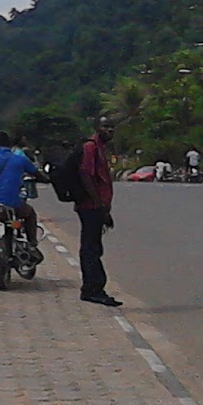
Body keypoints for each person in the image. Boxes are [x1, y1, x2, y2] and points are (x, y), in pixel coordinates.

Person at [0, 130, 42, 282]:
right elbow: (37, 173)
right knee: (30, 213)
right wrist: (49, 179)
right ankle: (32, 244)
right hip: (14, 205)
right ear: (9, 144)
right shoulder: (19, 159)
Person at [73, 116, 122, 307]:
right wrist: (97, 203)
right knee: (90, 249)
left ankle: (92, 288)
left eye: (112, 127)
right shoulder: (91, 147)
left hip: (97, 207)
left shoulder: (100, 148)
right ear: (97, 128)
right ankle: (93, 289)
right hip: (90, 207)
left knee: (93, 246)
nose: (110, 131)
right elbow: (86, 174)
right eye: (106, 127)